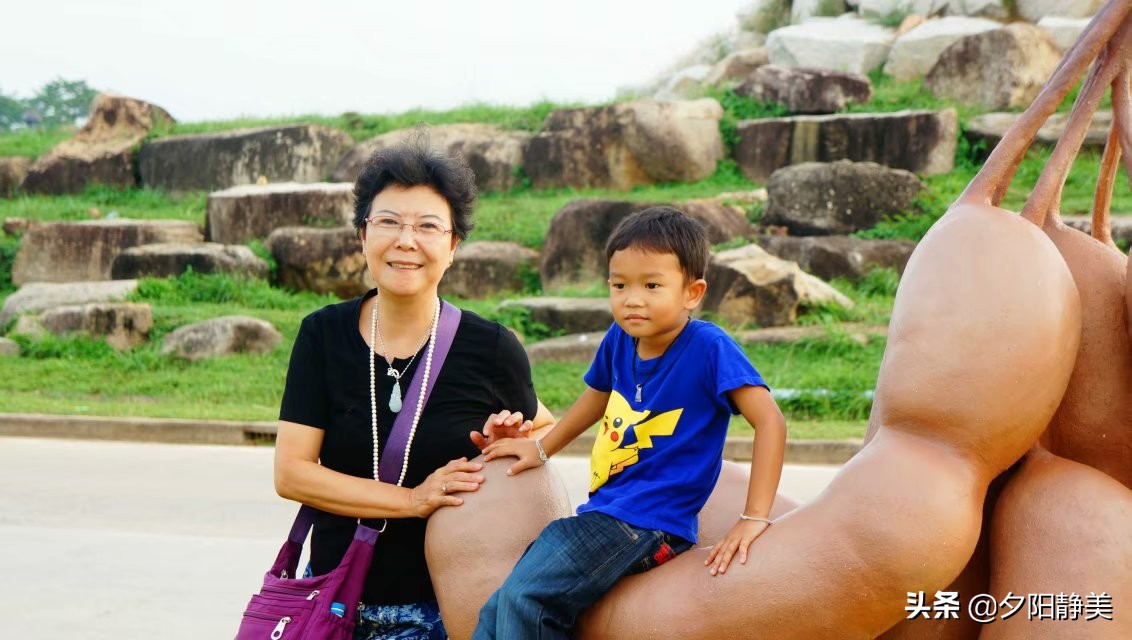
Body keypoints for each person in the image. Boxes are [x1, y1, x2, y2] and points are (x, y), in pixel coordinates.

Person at [473, 206, 788, 639]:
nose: (632, 299)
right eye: (620, 285)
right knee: (498, 607)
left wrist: (754, 518)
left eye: (652, 285)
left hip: (649, 525)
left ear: (692, 292)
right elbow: (597, 398)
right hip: (606, 515)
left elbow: (770, 421)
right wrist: (541, 447)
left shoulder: (709, 347)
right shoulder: (621, 339)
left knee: (526, 598)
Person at [273, 137, 543, 640]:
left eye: (427, 227)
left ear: (453, 246)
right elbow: (292, 474)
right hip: (331, 604)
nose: (405, 240)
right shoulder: (322, 335)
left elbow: (541, 433)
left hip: (442, 614)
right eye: (389, 222)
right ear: (363, 234)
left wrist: (504, 443)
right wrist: (413, 500)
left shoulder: (491, 348)